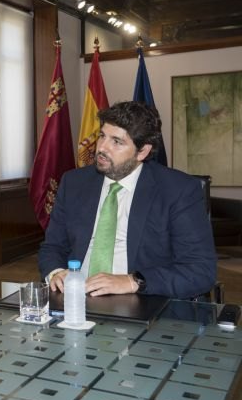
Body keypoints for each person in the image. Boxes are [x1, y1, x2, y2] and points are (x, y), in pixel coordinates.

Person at [39, 101, 216, 299]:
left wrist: (133, 281)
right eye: (102, 136)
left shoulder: (177, 190)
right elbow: (53, 246)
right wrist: (56, 272)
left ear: (142, 152)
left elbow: (200, 270)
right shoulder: (74, 182)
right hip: (76, 298)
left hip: (140, 299)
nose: (102, 148)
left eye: (117, 141)